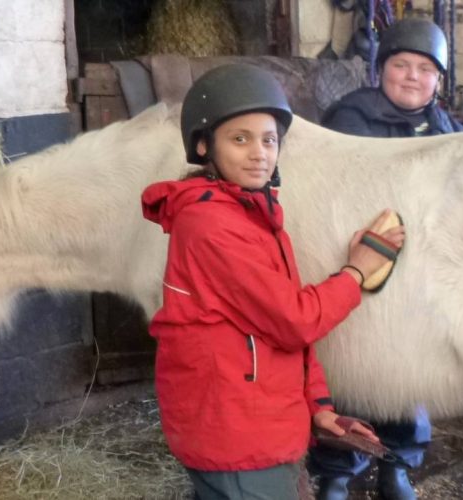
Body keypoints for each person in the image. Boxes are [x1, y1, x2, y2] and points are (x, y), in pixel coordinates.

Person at [141, 63, 404, 500]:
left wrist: (318, 408)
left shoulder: (253, 215)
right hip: (238, 437)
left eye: (269, 140)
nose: (259, 153)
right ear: (204, 145)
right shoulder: (212, 225)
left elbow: (280, 335)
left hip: (252, 424)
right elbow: (295, 321)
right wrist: (356, 272)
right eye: (239, 139)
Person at [310, 18, 463, 500]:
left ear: (438, 80)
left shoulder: (448, 130)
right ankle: (338, 469)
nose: (413, 76)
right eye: (401, 65)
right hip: (358, 257)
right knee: (350, 367)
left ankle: (397, 465)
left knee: (407, 367)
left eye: (425, 69)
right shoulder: (349, 119)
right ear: (382, 70)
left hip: (420, 268)